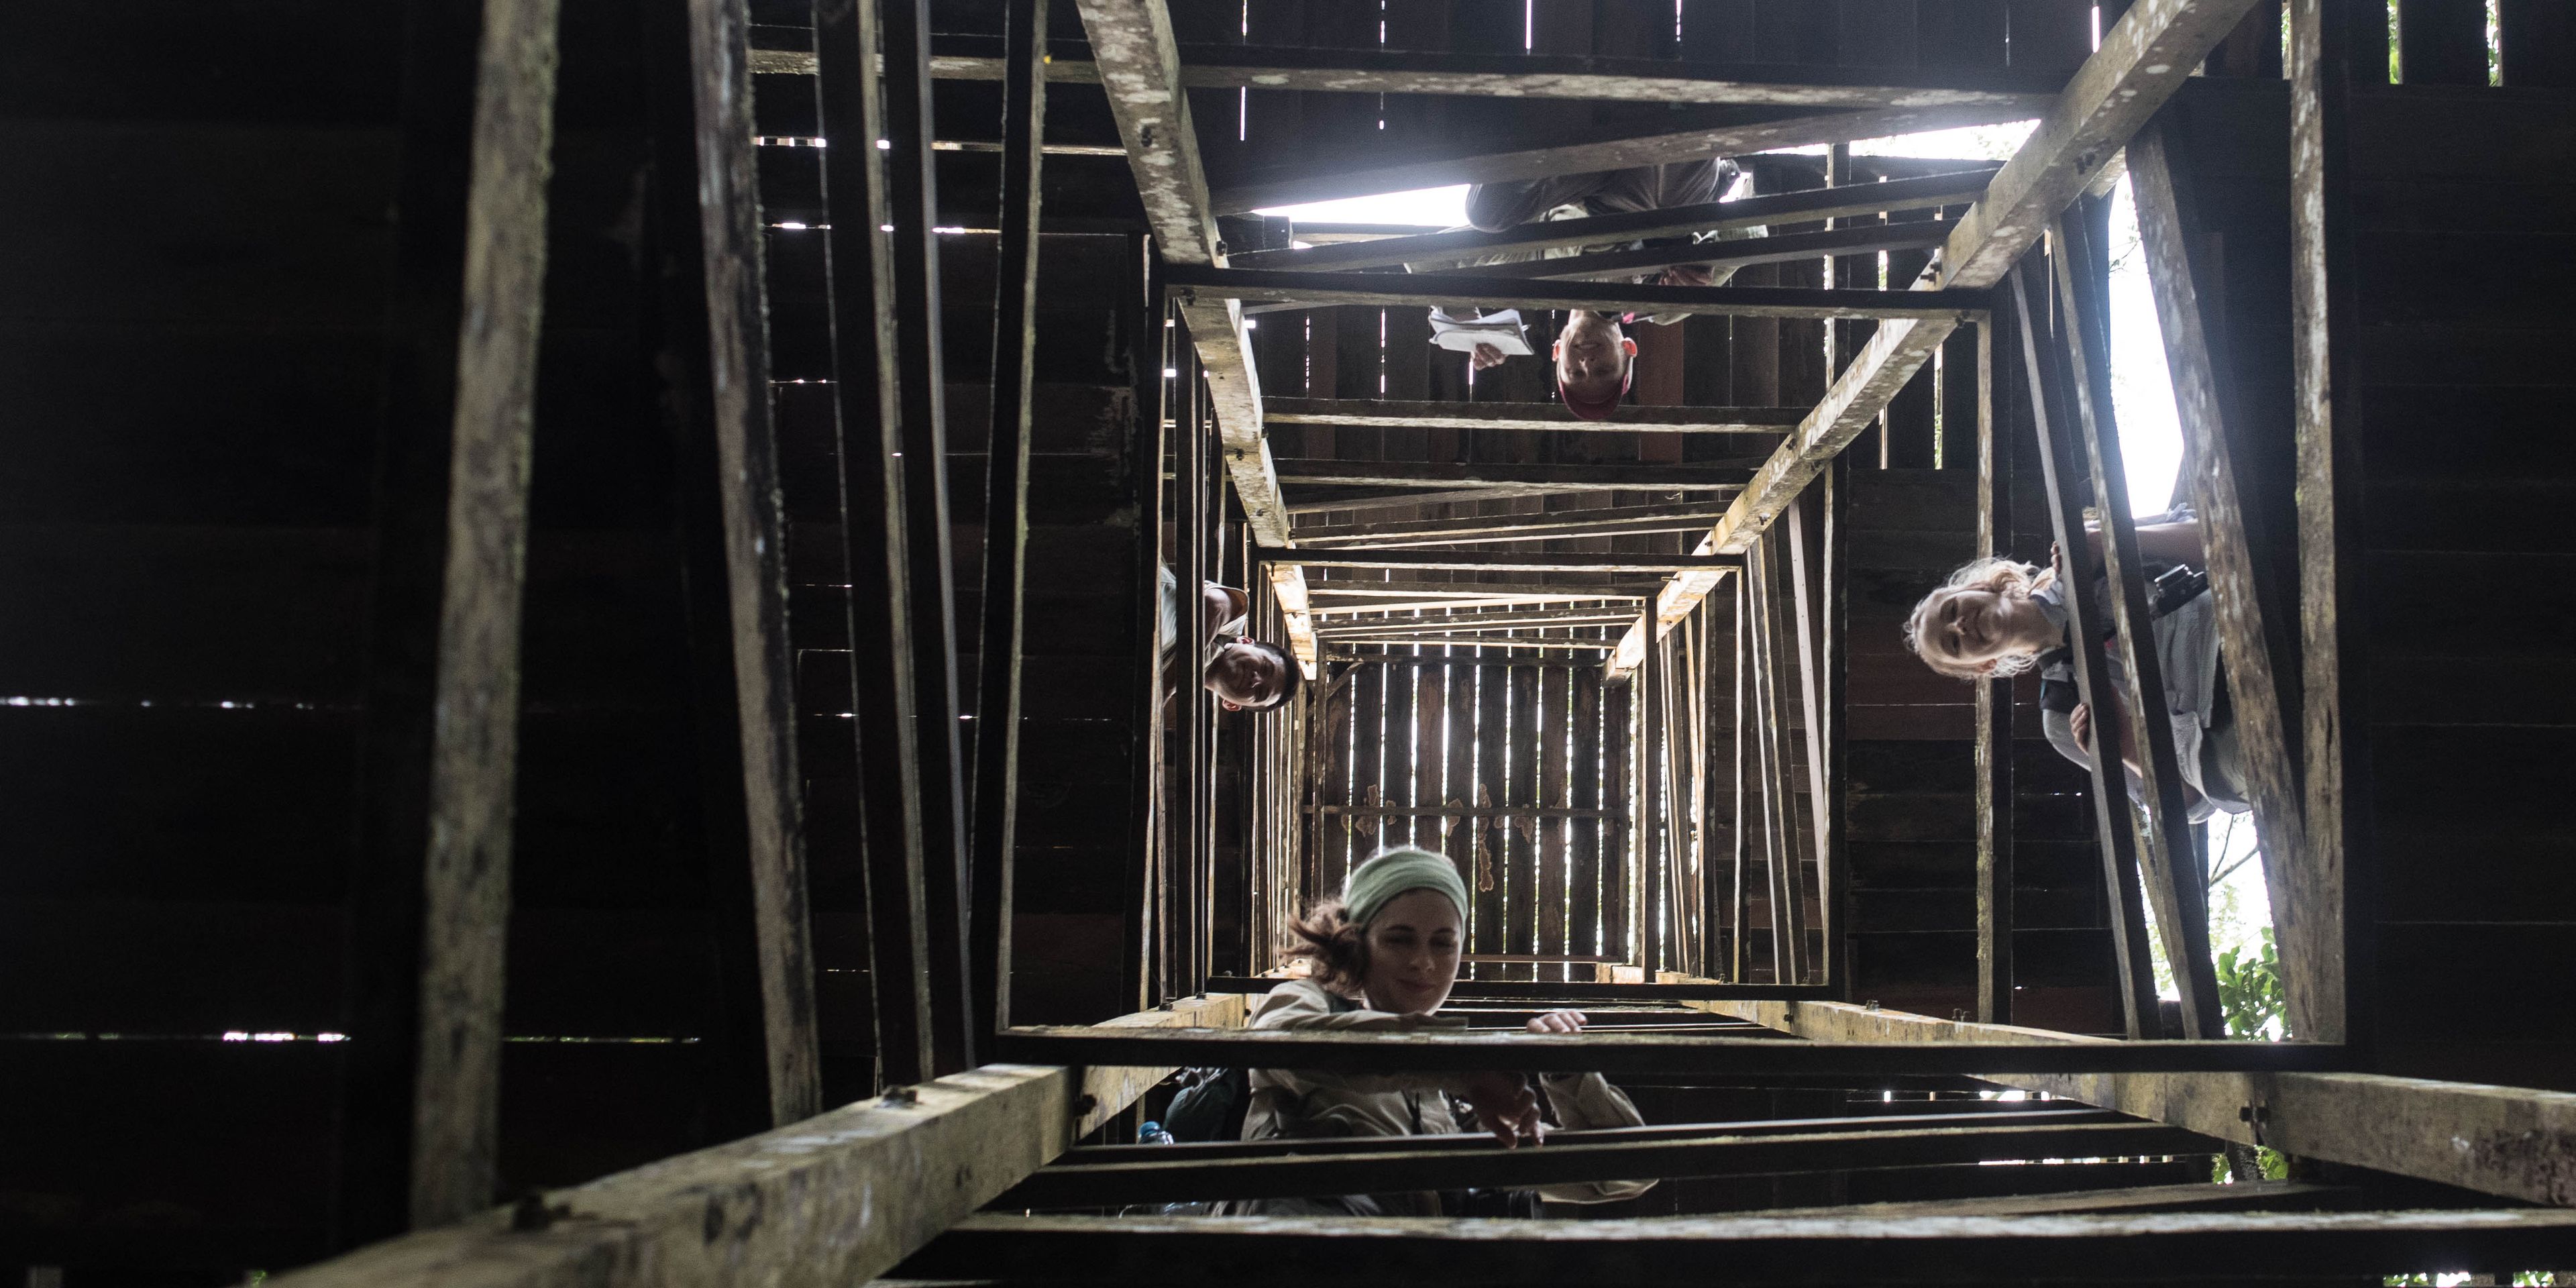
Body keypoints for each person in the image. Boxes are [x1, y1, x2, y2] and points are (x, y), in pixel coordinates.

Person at [1218, 845, 1656, 1216]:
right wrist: (1459, 1067)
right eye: (1400, 939)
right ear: (1358, 941)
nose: (1424, 963)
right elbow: (1280, 1041)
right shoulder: (1306, 1002)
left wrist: (1570, 1073)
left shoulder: (1460, 1114)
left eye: (1443, 943)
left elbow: (1625, 1174)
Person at [1900, 509, 2248, 820]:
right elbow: (2193, 806)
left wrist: (2107, 542)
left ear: (1979, 588)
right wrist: (2129, 750)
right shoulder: (2062, 717)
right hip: (2222, 738)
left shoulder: (2079, 550)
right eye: (1954, 644)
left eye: (1952, 611)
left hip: (2233, 624)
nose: (1959, 626)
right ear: (1984, 667)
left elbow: (2221, 532)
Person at [1417, 158, 1741, 421]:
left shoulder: (1536, 276)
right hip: (1663, 193)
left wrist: (1469, 324)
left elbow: (1425, 260)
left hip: (1587, 177)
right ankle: (1675, 107)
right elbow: (1752, 232)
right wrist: (1701, 261)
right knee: (1663, 206)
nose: (1587, 362)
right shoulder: (1662, 308)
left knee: (1485, 214)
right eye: (1603, 369)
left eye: (1575, 372)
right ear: (1628, 349)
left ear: (1557, 352)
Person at [1159, 567, 1299, 713]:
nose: (1255, 680)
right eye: (1265, 667)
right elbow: (1216, 604)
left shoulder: (1177, 684)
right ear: (1246, 641)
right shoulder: (1231, 625)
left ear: (1232, 705)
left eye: (1259, 693)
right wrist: (1166, 689)